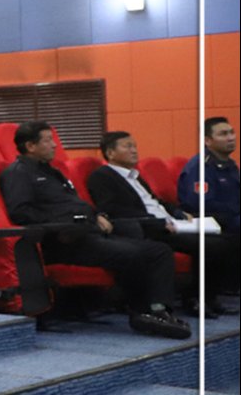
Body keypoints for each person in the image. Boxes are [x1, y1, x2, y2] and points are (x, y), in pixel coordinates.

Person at [0, 121, 187, 339]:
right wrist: (69, 221)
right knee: (134, 253)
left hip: (88, 232)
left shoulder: (52, 172)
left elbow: (75, 203)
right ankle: (141, 312)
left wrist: (97, 215)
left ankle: (160, 310)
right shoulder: (18, 174)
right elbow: (21, 213)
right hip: (63, 240)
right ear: (31, 146)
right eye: (48, 140)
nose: (54, 145)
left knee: (159, 251)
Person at [89, 130, 238, 310]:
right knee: (211, 245)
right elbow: (112, 209)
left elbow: (155, 201)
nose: (134, 151)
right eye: (127, 147)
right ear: (110, 153)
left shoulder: (134, 176)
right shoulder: (102, 176)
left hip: (170, 222)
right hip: (150, 228)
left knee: (228, 239)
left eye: (134, 146)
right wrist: (157, 222)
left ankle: (210, 296)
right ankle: (195, 298)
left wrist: (177, 212)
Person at [181, 117, 240, 234]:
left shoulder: (230, 164)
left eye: (232, 132)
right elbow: (201, 204)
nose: (231, 138)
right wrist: (235, 207)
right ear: (207, 141)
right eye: (223, 134)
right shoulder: (200, 167)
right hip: (216, 223)